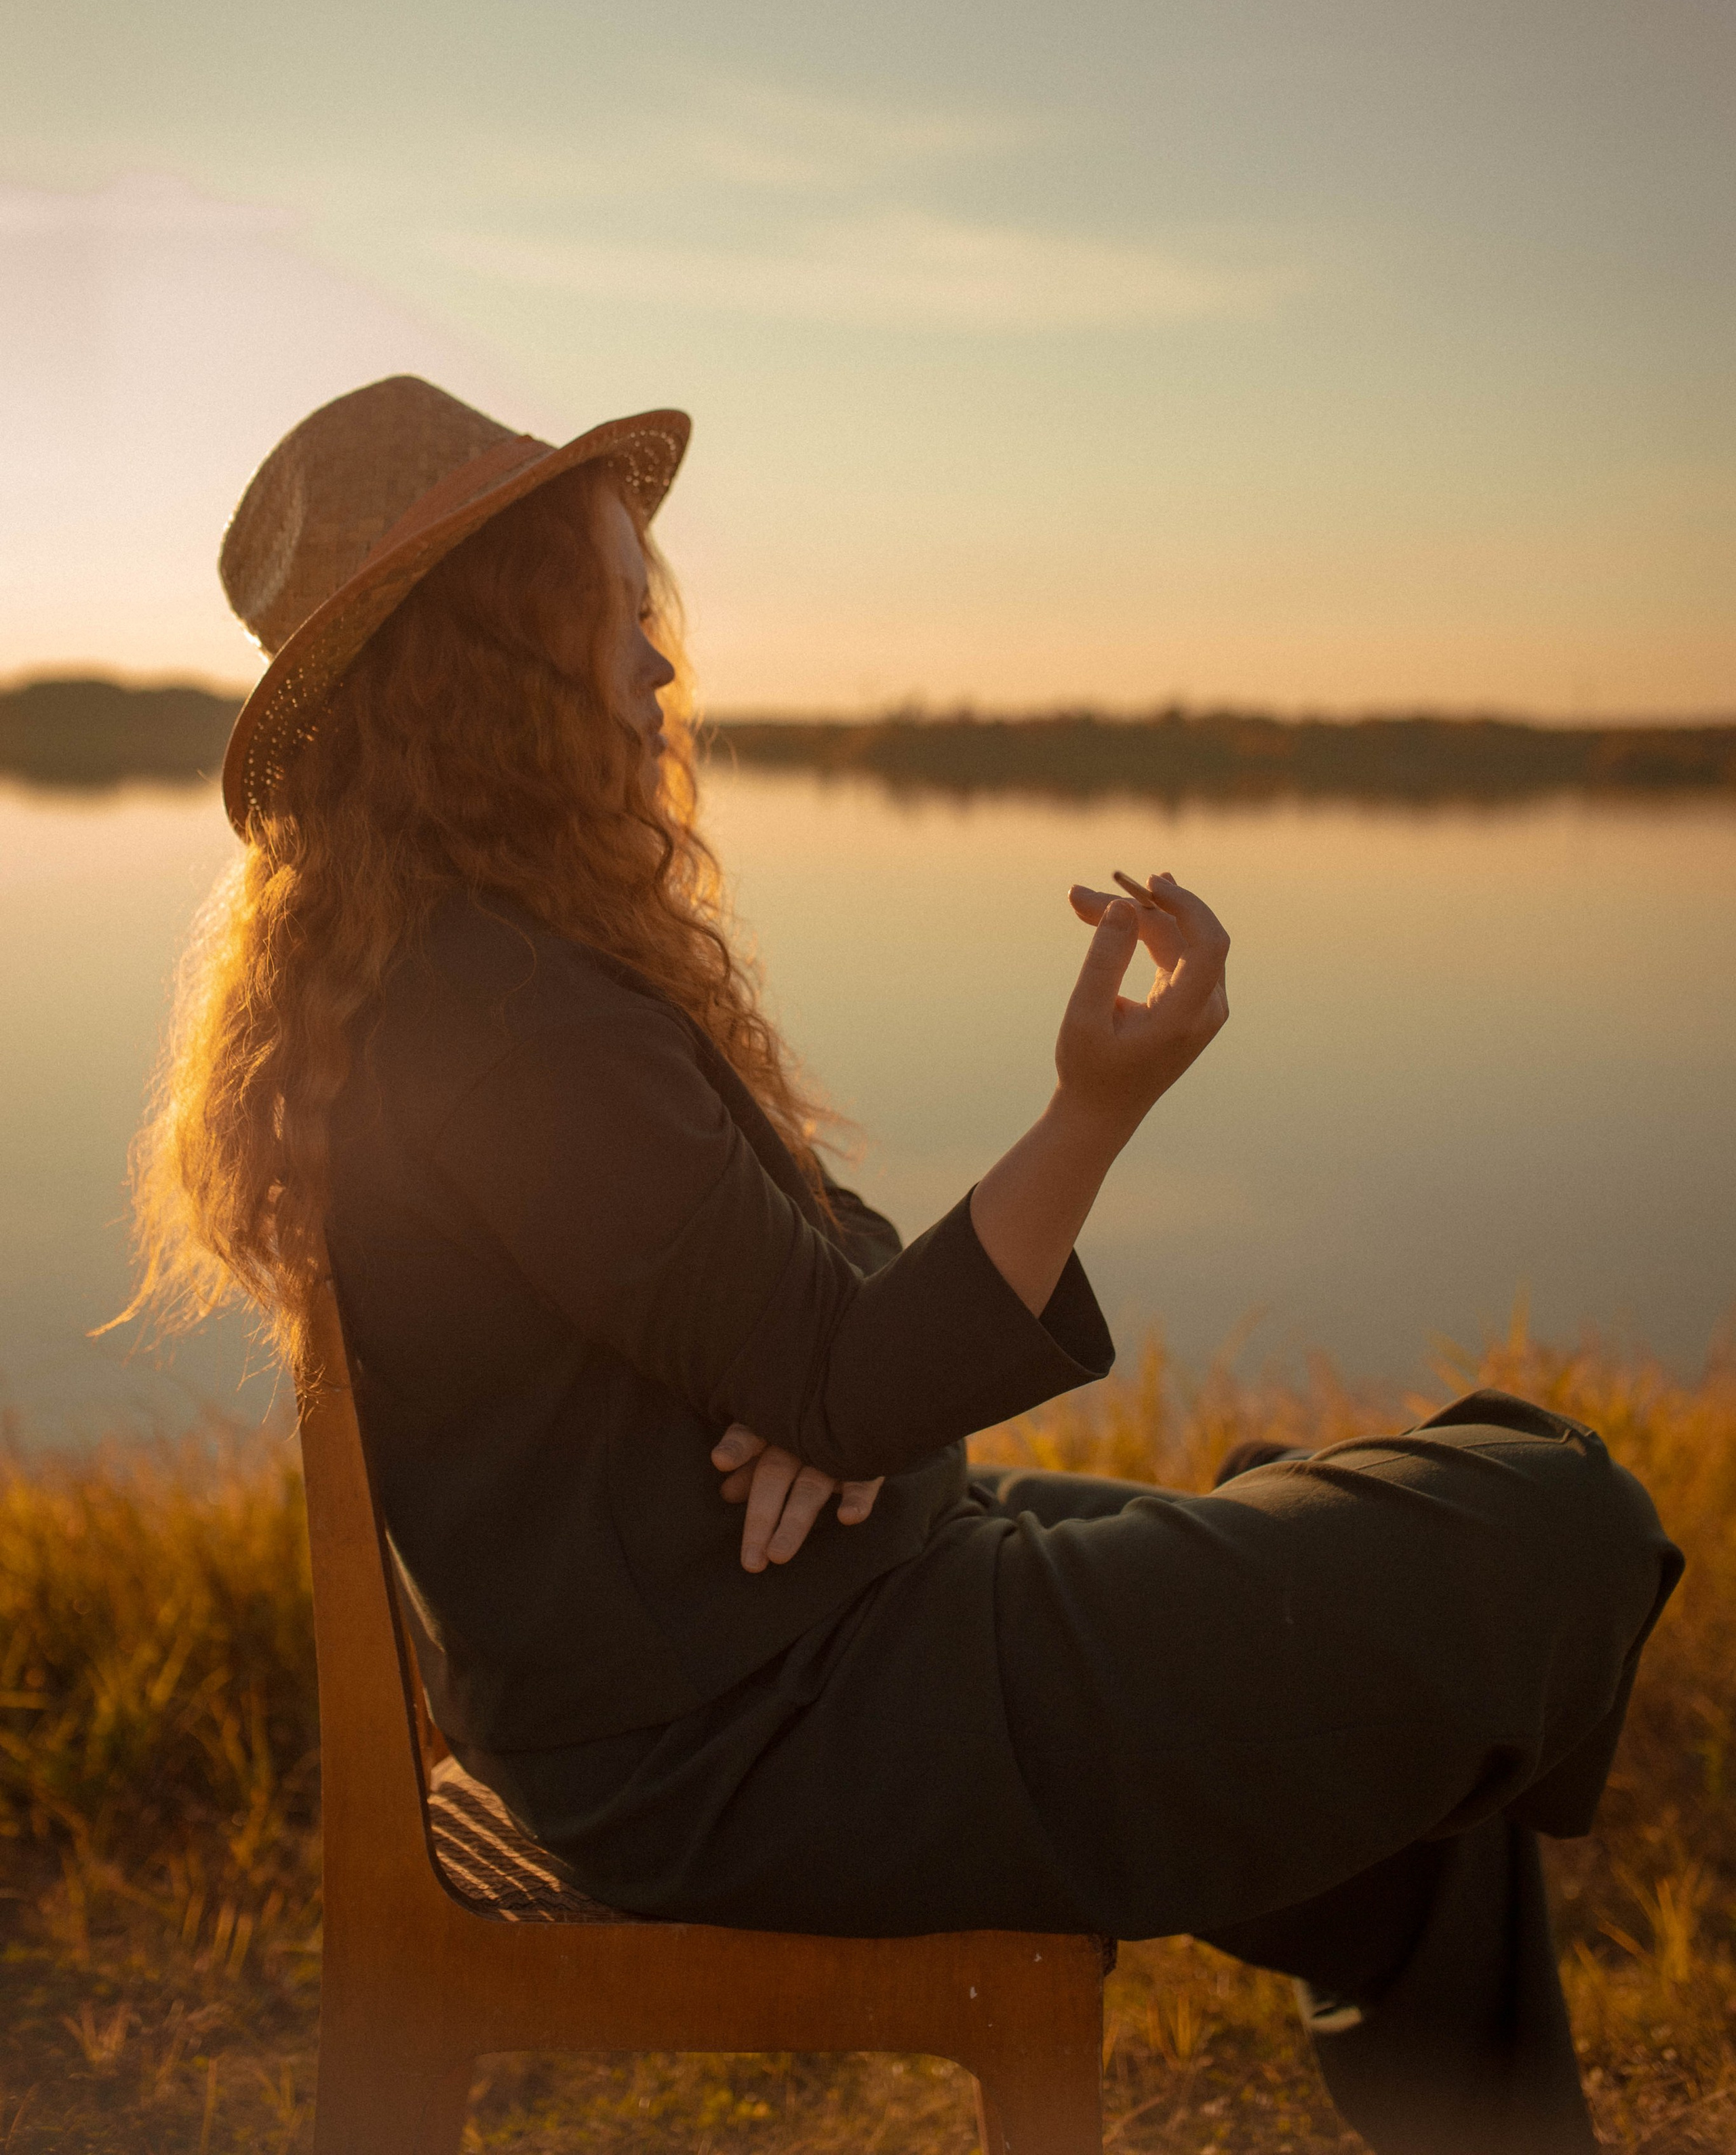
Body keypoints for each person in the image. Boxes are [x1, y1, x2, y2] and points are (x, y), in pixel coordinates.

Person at [135, 376, 1682, 2155]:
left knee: (1392, 1695)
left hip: (789, 1658)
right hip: (771, 1744)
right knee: (1555, 1507)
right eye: (617, 619)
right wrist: (1080, 1125)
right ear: (490, 663)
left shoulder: (467, 974)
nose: (655, 668)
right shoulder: (498, 1022)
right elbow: (855, 1361)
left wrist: (845, 1398)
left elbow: (845, 1300)